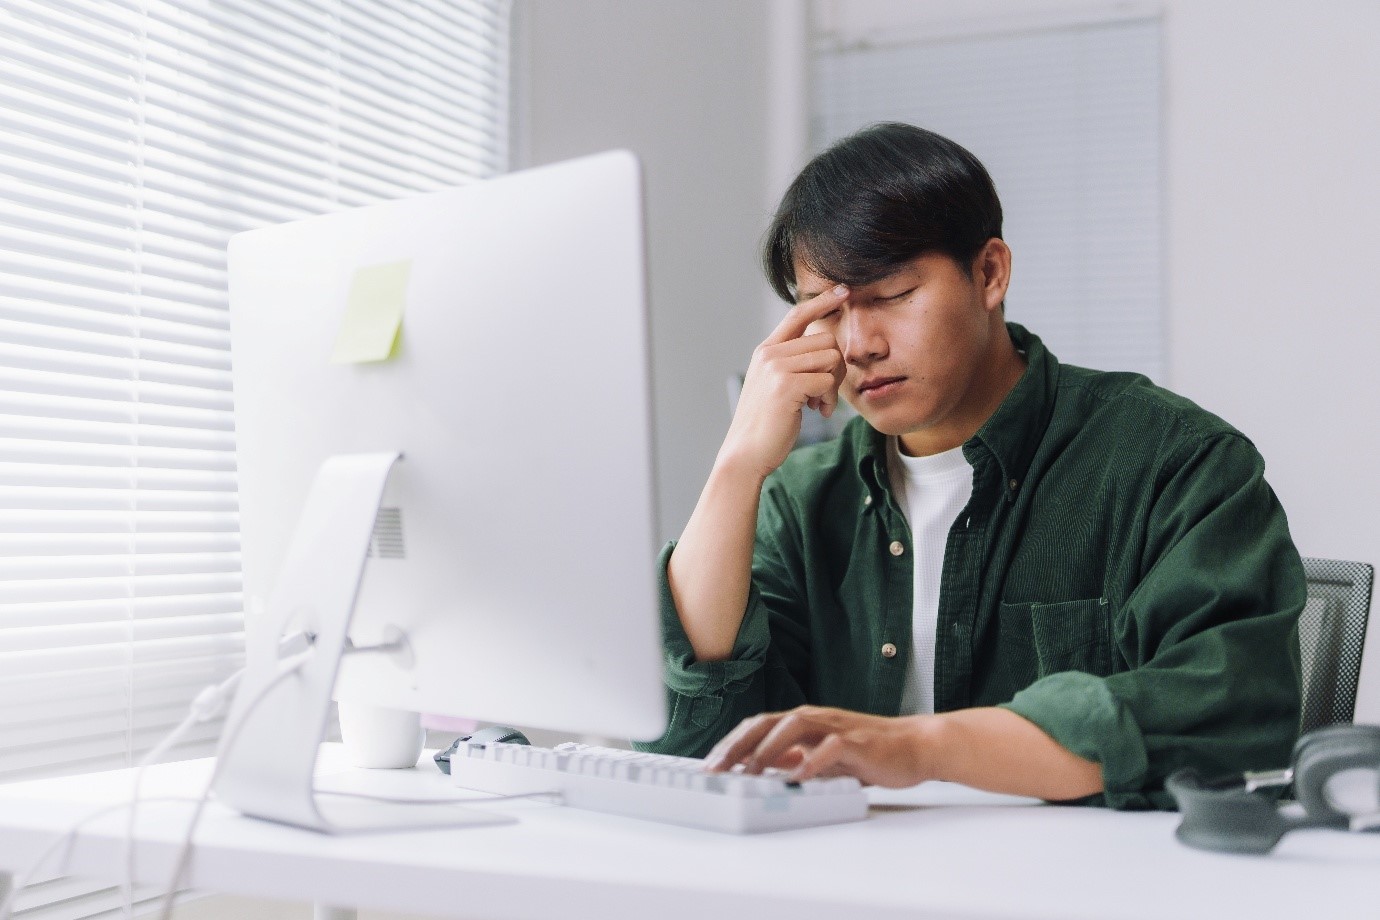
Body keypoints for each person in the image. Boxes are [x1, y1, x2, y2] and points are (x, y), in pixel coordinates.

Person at [635, 122, 1304, 809]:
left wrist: (919, 748)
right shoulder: (802, 498)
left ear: (989, 274)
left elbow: (1229, 711)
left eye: (891, 294)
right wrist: (737, 466)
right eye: (824, 310)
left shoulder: (1171, 460)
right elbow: (692, 745)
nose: (859, 343)